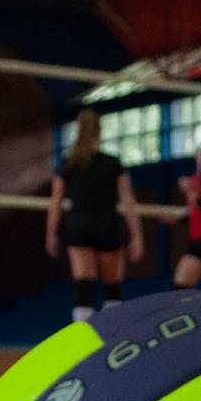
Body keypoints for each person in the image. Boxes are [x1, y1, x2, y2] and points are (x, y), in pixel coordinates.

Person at [46, 108, 144, 322]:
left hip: (79, 226)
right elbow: (128, 201)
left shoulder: (67, 164)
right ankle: (114, 341)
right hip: (108, 225)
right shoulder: (112, 163)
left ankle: (83, 345)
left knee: (83, 285)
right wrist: (137, 236)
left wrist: (51, 234)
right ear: (100, 132)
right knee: (112, 286)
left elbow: (56, 204)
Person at [173, 152, 201, 290]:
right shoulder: (195, 180)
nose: (200, 162)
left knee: (182, 286)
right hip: (198, 240)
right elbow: (196, 213)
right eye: (198, 159)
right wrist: (178, 220)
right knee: (181, 287)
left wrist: (194, 196)